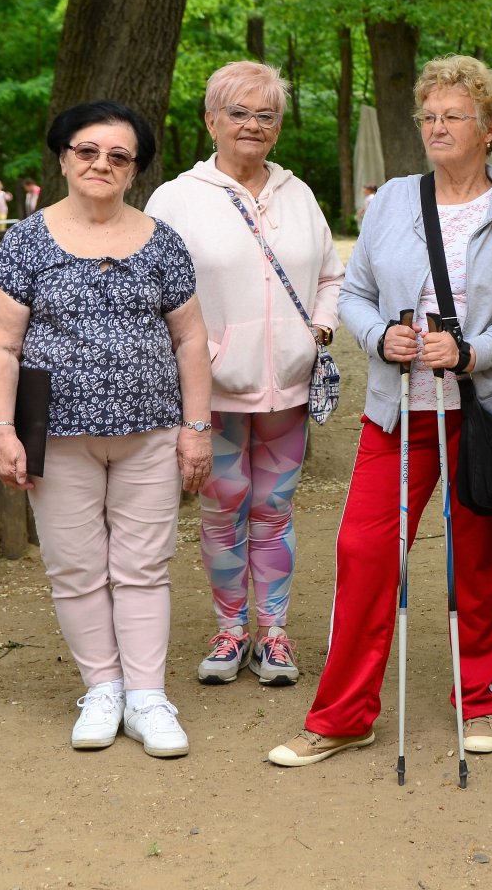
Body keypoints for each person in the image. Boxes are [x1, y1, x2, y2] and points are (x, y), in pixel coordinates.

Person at [268, 55, 492, 768]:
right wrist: (375, 335)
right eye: (428, 116)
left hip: (477, 411)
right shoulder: (391, 199)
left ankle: (480, 699)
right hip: (398, 413)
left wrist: (473, 351)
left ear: (489, 129)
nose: (437, 127)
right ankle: (342, 715)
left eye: (453, 116)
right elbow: (354, 291)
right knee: (363, 553)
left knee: (475, 560)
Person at [0, 101, 213, 758]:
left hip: (152, 433)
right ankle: (102, 689)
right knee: (76, 566)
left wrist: (197, 428)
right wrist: (3, 431)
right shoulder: (26, 241)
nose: (100, 164)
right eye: (87, 151)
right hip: (54, 432)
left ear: (134, 169)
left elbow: (191, 339)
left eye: (118, 155)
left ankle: (146, 697)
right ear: (63, 157)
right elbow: (0, 346)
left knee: (143, 566)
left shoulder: (163, 240)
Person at [146, 61, 344, 690]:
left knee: (275, 508)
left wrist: (317, 331)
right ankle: (231, 628)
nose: (254, 125)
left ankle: (275, 633)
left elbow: (333, 277)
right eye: (240, 113)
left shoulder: (298, 194)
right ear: (211, 120)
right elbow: (152, 291)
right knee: (221, 508)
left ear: (279, 127)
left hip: (286, 384)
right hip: (214, 389)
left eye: (267, 115)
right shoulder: (177, 198)